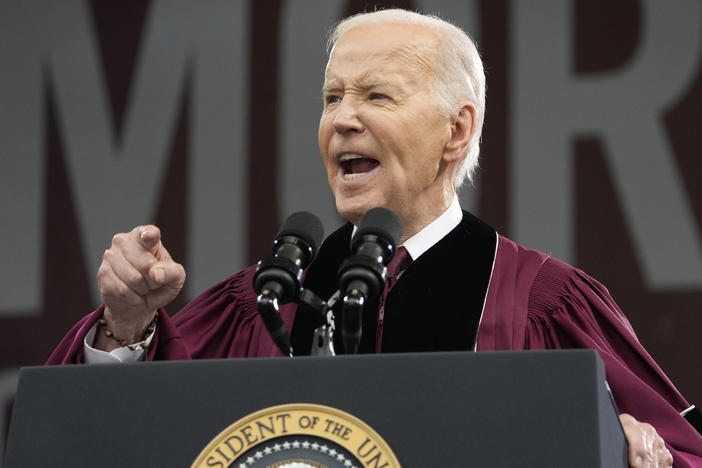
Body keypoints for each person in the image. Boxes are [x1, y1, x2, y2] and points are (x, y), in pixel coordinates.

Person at [47, 8, 701, 467]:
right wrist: (127, 326)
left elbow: (683, 450)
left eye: (377, 96)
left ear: (457, 130)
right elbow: (122, 434)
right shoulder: (266, 301)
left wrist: (637, 456)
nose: (343, 119)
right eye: (332, 98)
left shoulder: (544, 303)